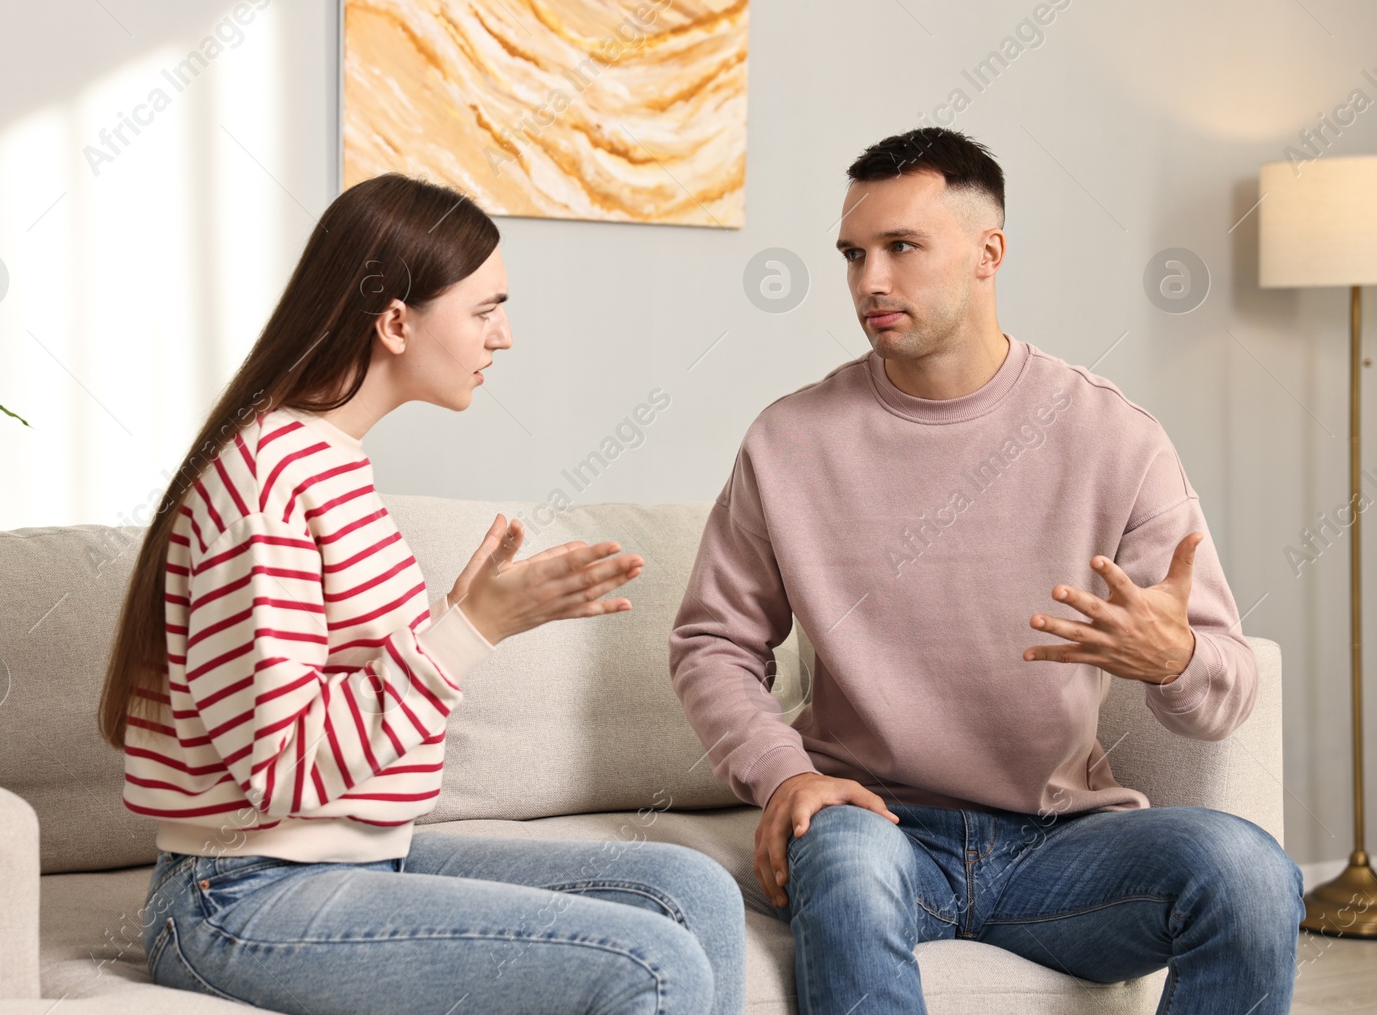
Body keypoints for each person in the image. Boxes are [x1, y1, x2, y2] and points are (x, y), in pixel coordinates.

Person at [668, 127, 1304, 1014]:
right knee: (846, 861)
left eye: (901, 248)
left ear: (987, 252)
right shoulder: (790, 441)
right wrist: (786, 773)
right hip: (874, 825)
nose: (868, 283)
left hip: (1065, 845)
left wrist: (1175, 661)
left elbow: (1227, 685)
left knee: (1251, 872)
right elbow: (711, 643)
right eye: (854, 255)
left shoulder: (1114, 438)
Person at [97, 172, 746, 1015]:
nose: (504, 336)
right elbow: (284, 766)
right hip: (241, 896)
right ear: (397, 320)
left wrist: (457, 620)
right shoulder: (268, 481)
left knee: (690, 889)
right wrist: (470, 630)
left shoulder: (329, 460)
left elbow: (345, 692)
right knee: (651, 963)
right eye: (484, 309)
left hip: (353, 858)